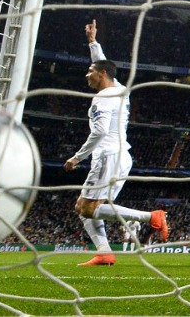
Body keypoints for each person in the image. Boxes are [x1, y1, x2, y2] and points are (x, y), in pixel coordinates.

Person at [64, 20, 168, 266]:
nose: (87, 74)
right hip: (122, 156)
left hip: (107, 156)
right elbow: (103, 64)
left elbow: (99, 132)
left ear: (101, 75)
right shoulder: (120, 90)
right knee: (84, 205)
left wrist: (77, 157)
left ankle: (150, 217)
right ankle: (104, 252)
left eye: (90, 71)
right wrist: (92, 43)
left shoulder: (101, 99)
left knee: (87, 208)